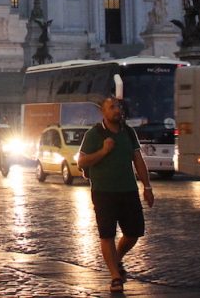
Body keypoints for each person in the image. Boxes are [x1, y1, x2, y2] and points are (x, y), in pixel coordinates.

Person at [77, 96, 155, 294]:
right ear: (103, 112)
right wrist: (103, 151)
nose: (117, 110)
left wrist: (147, 187)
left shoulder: (128, 132)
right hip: (103, 192)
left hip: (128, 190)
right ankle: (115, 277)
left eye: (118, 106)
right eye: (112, 107)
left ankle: (117, 258)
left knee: (134, 232)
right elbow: (82, 162)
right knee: (107, 234)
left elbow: (138, 160)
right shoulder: (94, 134)